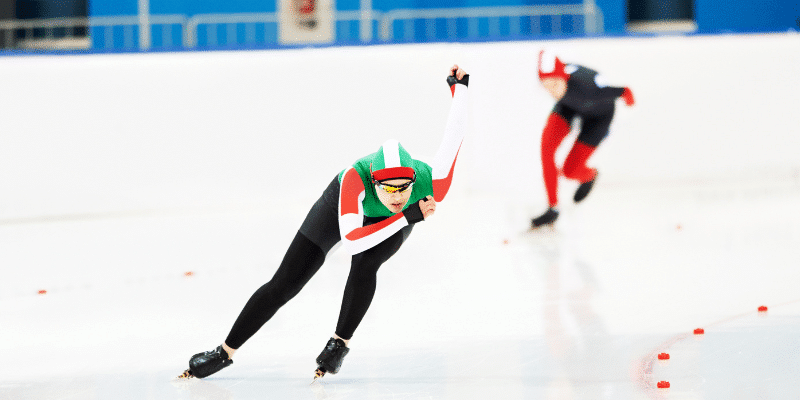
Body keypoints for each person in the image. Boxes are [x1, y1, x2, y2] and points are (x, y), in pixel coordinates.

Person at [179, 64, 470, 380]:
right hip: (340, 209)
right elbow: (353, 240)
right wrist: (404, 216)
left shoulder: (433, 182)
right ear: (374, 182)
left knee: (366, 265)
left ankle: (339, 344)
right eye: (388, 188)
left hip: (394, 222)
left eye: (404, 187)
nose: (397, 196)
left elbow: (454, 133)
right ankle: (224, 351)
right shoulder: (354, 180)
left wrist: (460, 89)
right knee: (286, 282)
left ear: (415, 179)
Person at [531, 50, 635, 228]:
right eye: (546, 86)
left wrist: (630, 102)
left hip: (598, 119)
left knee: (570, 171)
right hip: (569, 107)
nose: (552, 91)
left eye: (555, 84)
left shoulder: (588, 88)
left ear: (564, 78)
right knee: (546, 148)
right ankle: (553, 208)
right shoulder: (560, 81)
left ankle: (590, 176)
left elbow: (625, 91)